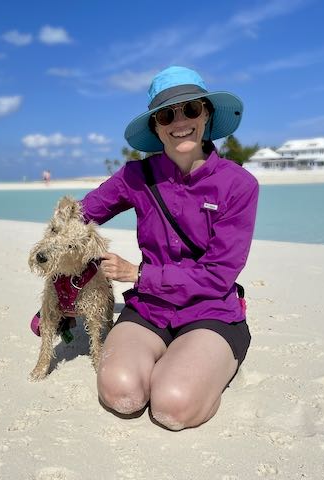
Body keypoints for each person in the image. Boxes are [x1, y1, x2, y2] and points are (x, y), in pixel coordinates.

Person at [80, 66, 259, 430]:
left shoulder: (239, 185)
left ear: (207, 115)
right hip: (150, 308)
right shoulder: (136, 176)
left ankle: (203, 362)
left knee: (172, 407)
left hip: (211, 311)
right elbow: (81, 215)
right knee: (121, 393)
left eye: (191, 109)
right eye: (166, 115)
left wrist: (138, 274)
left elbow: (218, 275)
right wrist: (63, 262)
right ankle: (168, 360)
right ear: (156, 127)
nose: (180, 121)